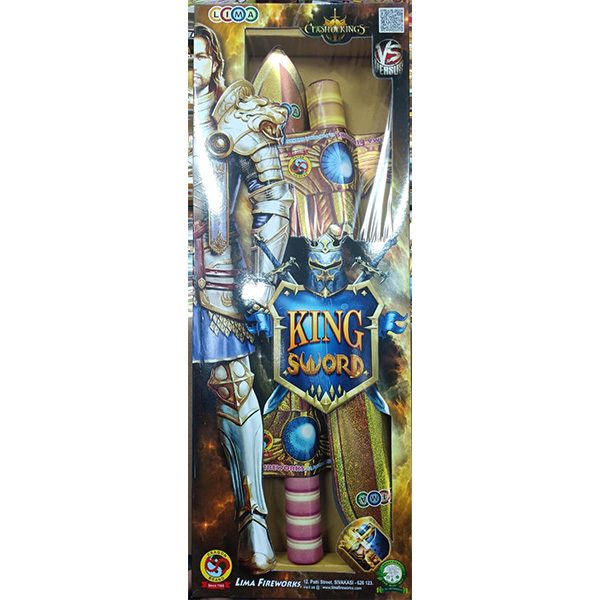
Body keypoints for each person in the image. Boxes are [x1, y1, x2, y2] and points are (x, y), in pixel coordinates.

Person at [192, 24, 293, 574]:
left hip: (216, 276)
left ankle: (253, 520)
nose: (188, 67)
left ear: (213, 60)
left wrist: (263, 275)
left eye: (196, 55)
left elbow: (273, 191)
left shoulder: (233, 114)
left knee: (235, 389)